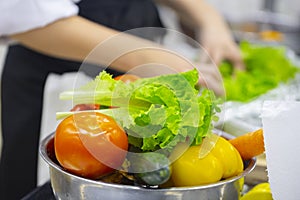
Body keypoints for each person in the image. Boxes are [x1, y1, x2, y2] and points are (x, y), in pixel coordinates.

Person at [0, 0, 244, 199]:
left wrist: (208, 17)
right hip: (59, 69)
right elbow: (18, 12)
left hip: (141, 68)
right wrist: (142, 56)